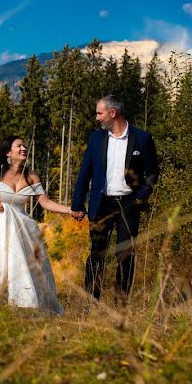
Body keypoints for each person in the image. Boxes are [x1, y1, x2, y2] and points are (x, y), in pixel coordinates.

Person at [0, 136, 71, 314]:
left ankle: (21, 302)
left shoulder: (31, 176)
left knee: (21, 264)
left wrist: (71, 210)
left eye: (24, 145)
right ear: (9, 152)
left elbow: (46, 203)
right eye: (19, 146)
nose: (23, 148)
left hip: (21, 227)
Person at [70, 95, 159, 301]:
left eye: (99, 113)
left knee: (126, 255)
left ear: (113, 113)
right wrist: (77, 204)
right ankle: (91, 300)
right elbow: (85, 172)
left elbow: (152, 172)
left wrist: (140, 198)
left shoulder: (142, 138)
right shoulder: (96, 138)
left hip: (129, 204)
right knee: (97, 253)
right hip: (101, 204)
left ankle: (121, 303)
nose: (97, 118)